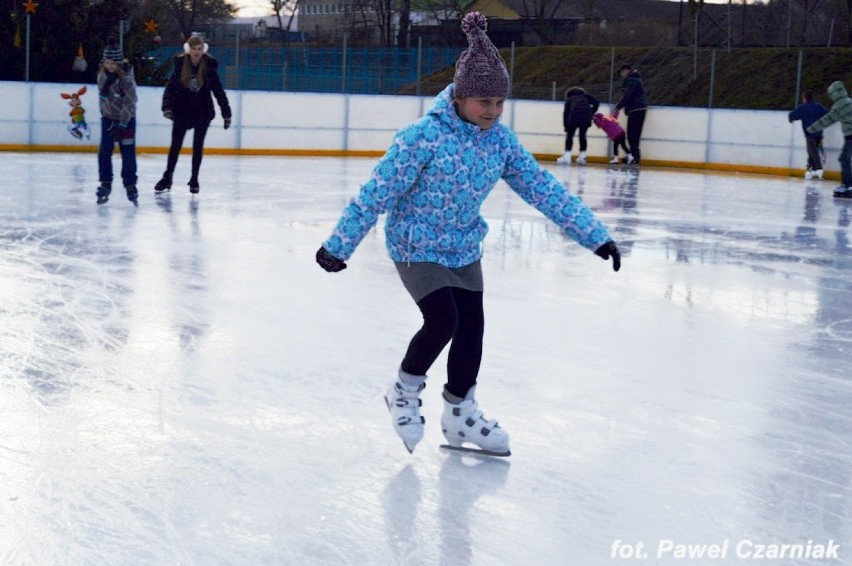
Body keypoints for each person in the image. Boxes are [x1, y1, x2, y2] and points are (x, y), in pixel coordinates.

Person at [314, 12, 621, 456]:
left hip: (462, 245)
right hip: (416, 243)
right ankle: (403, 390)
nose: (492, 111)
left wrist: (595, 236)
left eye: (499, 102)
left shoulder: (500, 141)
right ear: (459, 96)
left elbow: (542, 188)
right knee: (444, 320)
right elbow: (378, 191)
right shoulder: (422, 137)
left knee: (472, 328)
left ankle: (459, 413)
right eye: (483, 102)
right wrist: (338, 246)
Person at [155, 34, 231, 195]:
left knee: (198, 146)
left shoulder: (210, 66)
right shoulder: (180, 64)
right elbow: (171, 88)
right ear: (188, 49)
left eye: (200, 49)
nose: (197, 52)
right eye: (194, 49)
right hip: (182, 110)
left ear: (204, 49)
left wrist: (226, 113)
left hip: (202, 112)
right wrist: (167, 107)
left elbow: (218, 91)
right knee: (175, 146)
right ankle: (167, 177)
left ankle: (194, 179)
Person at [96, 38, 138, 206]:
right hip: (108, 119)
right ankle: (105, 183)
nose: (110, 66)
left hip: (126, 121)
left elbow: (130, 101)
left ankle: (130, 184)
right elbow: (102, 99)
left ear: (119, 63)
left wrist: (122, 124)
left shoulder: (126, 79)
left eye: (114, 63)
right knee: (104, 152)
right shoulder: (101, 76)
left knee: (127, 153)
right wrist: (105, 115)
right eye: (107, 62)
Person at [807, 81, 852, 198]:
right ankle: (847, 184)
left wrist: (811, 129)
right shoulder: (849, 101)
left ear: (834, 94)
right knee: (844, 159)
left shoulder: (840, 105)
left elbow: (827, 120)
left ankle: (848, 185)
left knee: (844, 159)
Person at [789, 89, 829, 180]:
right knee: (812, 151)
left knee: (812, 152)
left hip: (810, 133)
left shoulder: (803, 107)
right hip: (819, 133)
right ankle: (810, 170)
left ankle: (818, 170)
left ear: (804, 98)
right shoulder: (818, 106)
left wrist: (791, 119)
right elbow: (827, 113)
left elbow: (792, 115)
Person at [612, 64, 647, 165]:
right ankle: (633, 155)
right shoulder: (634, 79)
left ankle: (635, 156)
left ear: (627, 71)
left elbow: (627, 95)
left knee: (633, 134)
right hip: (636, 109)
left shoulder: (632, 80)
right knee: (632, 134)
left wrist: (618, 107)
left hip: (637, 109)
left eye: (622, 72)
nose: (622, 74)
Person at [557, 86, 599, 165]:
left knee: (570, 136)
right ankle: (582, 157)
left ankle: (567, 157)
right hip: (586, 117)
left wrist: (566, 126)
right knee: (582, 135)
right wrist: (591, 112)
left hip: (574, 117)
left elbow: (566, 113)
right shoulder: (586, 96)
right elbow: (596, 103)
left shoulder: (570, 98)